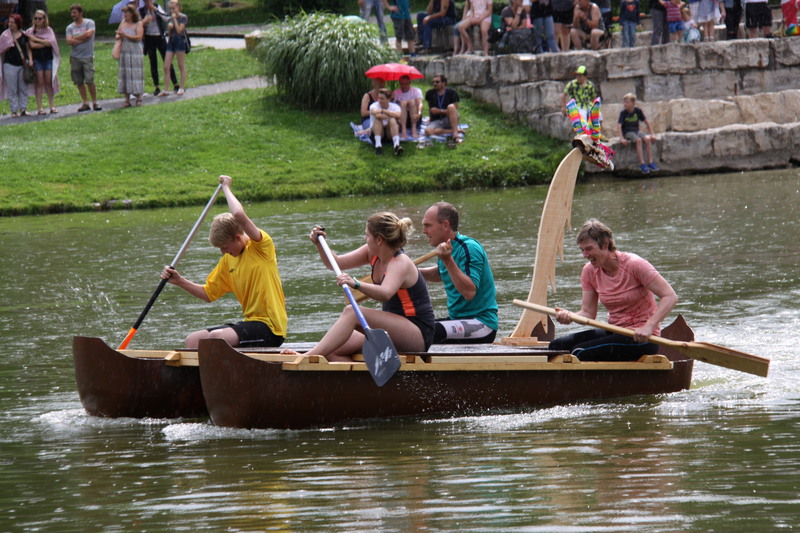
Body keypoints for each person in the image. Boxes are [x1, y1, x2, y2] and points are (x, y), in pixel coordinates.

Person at [161, 175, 288, 349]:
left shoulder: (261, 248)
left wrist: (226, 187)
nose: (223, 252)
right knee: (193, 340)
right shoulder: (228, 261)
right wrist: (179, 281)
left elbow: (239, 215)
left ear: (237, 237)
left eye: (224, 247)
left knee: (217, 337)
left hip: (271, 329)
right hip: (250, 324)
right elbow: (208, 294)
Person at [296, 217, 435, 362]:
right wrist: (320, 244)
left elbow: (385, 293)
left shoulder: (400, 262)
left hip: (417, 333)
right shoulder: (372, 252)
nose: (365, 238)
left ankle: (307, 357)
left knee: (352, 312)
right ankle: (360, 378)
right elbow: (335, 263)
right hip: (391, 328)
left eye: (367, 235)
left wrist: (356, 284)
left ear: (379, 239)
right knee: (331, 349)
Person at [549, 219, 678, 362]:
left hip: (642, 337)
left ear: (605, 244)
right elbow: (588, 313)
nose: (585, 255)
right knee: (556, 346)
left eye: (589, 249)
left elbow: (670, 296)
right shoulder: (589, 271)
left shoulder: (635, 264)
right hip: (615, 331)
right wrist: (569, 316)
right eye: (582, 250)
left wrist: (649, 326)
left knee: (579, 352)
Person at [420, 202, 499, 344]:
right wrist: (412, 272)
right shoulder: (447, 248)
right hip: (458, 321)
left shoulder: (469, 248)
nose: (424, 231)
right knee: (416, 328)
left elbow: (469, 292)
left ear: (445, 225)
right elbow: (442, 273)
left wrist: (447, 259)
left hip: (482, 324)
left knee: (427, 332)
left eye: (428, 225)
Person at [65, 4, 100, 111]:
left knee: (90, 80)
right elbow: (68, 41)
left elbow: (89, 35)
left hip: (87, 56)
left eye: (75, 12)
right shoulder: (70, 27)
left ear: (81, 13)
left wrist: (75, 39)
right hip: (75, 57)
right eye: (71, 13)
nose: (73, 15)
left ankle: (95, 102)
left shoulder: (89, 23)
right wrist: (81, 38)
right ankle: (85, 103)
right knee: (79, 81)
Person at [26, 9, 59, 115]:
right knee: (39, 82)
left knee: (49, 82)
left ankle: (52, 106)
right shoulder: (30, 32)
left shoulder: (49, 30)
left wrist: (36, 39)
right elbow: (31, 46)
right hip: (37, 59)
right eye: (36, 18)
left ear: (44, 19)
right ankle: (40, 107)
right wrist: (44, 43)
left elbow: (51, 43)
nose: (38, 20)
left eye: (40, 18)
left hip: (48, 59)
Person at [140, 0, 176, 96]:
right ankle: (157, 86)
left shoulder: (157, 7)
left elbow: (166, 18)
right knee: (153, 62)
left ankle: (175, 83)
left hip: (159, 37)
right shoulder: (142, 11)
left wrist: (155, 10)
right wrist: (145, 21)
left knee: (167, 59)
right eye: (146, 1)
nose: (148, 2)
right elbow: (139, 24)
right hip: (149, 38)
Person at [0, 14, 32, 117]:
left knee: (23, 87)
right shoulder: (5, 35)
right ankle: (14, 110)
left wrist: (30, 60)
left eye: (12, 22)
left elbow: (28, 48)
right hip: (9, 65)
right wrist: (8, 44)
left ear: (18, 23)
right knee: (12, 88)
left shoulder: (24, 35)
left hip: (22, 65)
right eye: (9, 22)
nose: (10, 24)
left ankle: (23, 109)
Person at [617, 93, 657, 173]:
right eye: (624, 102)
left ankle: (650, 162)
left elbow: (647, 122)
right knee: (638, 140)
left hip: (636, 130)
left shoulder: (638, 111)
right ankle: (642, 163)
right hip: (627, 132)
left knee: (647, 139)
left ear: (633, 103)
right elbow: (619, 125)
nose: (625, 104)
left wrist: (652, 134)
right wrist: (621, 138)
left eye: (627, 102)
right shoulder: (623, 113)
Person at [421, 73, 460, 147]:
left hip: (449, 119)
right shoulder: (430, 93)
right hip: (437, 120)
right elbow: (430, 108)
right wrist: (431, 119)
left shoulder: (451, 92)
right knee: (427, 131)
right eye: (433, 82)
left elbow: (454, 109)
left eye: (437, 82)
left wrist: (440, 111)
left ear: (444, 83)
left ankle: (455, 134)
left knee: (451, 107)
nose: (434, 84)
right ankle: (453, 130)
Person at [115, 4, 143, 107]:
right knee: (125, 73)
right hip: (125, 49)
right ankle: (127, 100)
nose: (125, 14)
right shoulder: (123, 22)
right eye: (124, 12)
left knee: (135, 72)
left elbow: (139, 37)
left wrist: (125, 35)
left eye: (127, 12)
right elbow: (118, 34)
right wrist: (118, 36)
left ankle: (138, 98)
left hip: (135, 49)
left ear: (132, 13)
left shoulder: (138, 23)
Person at [160, 0, 187, 96]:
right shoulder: (171, 18)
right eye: (170, 9)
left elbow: (179, 30)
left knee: (181, 65)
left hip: (179, 41)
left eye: (173, 8)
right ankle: (166, 89)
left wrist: (175, 20)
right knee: (166, 66)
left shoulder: (183, 17)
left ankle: (182, 87)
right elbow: (170, 33)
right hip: (171, 41)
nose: (172, 11)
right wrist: (169, 29)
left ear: (178, 7)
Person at [370, 87, 403, 156]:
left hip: (389, 132)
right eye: (378, 98)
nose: (379, 100)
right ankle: (378, 146)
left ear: (388, 99)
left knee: (392, 120)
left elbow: (398, 115)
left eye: (382, 98)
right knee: (378, 120)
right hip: (377, 131)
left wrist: (383, 111)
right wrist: (391, 115)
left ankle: (396, 145)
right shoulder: (374, 105)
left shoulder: (395, 106)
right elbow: (376, 114)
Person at [393, 74, 422, 139]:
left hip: (414, 116)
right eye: (402, 84)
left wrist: (419, 113)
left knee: (412, 101)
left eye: (406, 84)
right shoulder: (395, 93)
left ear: (410, 83)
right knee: (403, 103)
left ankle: (414, 129)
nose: (403, 86)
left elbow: (420, 103)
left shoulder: (416, 91)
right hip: (401, 117)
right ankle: (404, 130)